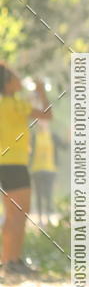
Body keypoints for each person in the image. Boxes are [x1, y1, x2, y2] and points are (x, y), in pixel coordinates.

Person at [0, 64, 52, 276]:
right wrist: (42, 94)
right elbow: (47, 115)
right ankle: (13, 261)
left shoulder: (5, 104)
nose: (19, 79)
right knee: (19, 214)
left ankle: (8, 261)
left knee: (12, 214)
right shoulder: (15, 104)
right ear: (8, 84)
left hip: (5, 164)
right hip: (14, 165)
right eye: (15, 77)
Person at [30, 119, 65, 226]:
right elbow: (29, 153)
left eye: (43, 122)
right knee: (39, 195)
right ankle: (40, 219)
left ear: (47, 124)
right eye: (39, 122)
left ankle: (48, 218)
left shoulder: (53, 136)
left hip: (50, 170)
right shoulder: (34, 137)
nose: (41, 124)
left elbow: (65, 147)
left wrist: (70, 135)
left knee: (48, 194)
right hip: (36, 170)